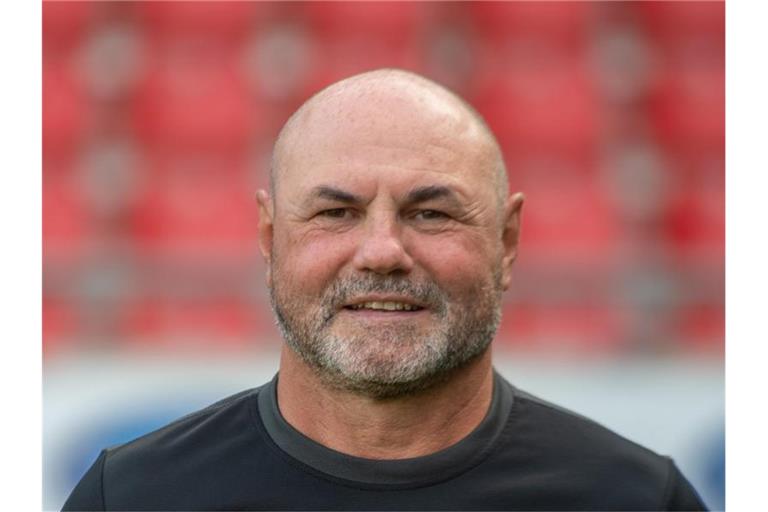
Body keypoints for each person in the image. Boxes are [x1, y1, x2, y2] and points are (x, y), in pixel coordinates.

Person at [62, 68, 707, 511]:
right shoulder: (134, 495)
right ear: (269, 236)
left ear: (507, 241)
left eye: (431, 212)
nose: (382, 252)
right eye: (335, 213)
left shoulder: (635, 497)